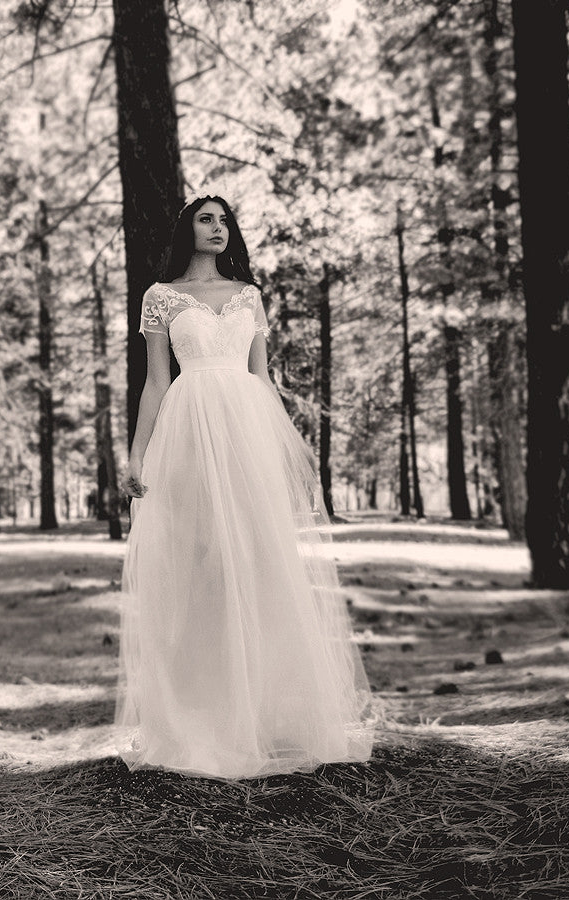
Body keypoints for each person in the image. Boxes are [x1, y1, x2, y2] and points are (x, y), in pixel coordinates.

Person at [115, 190, 372, 780]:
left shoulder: (249, 296)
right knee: (200, 566)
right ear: (188, 231)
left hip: (246, 434)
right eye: (206, 220)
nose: (217, 228)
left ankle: (265, 713)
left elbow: (261, 380)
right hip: (188, 431)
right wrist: (136, 456)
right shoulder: (162, 298)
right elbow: (155, 385)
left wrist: (284, 453)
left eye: (224, 221)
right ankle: (201, 718)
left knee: (258, 565)